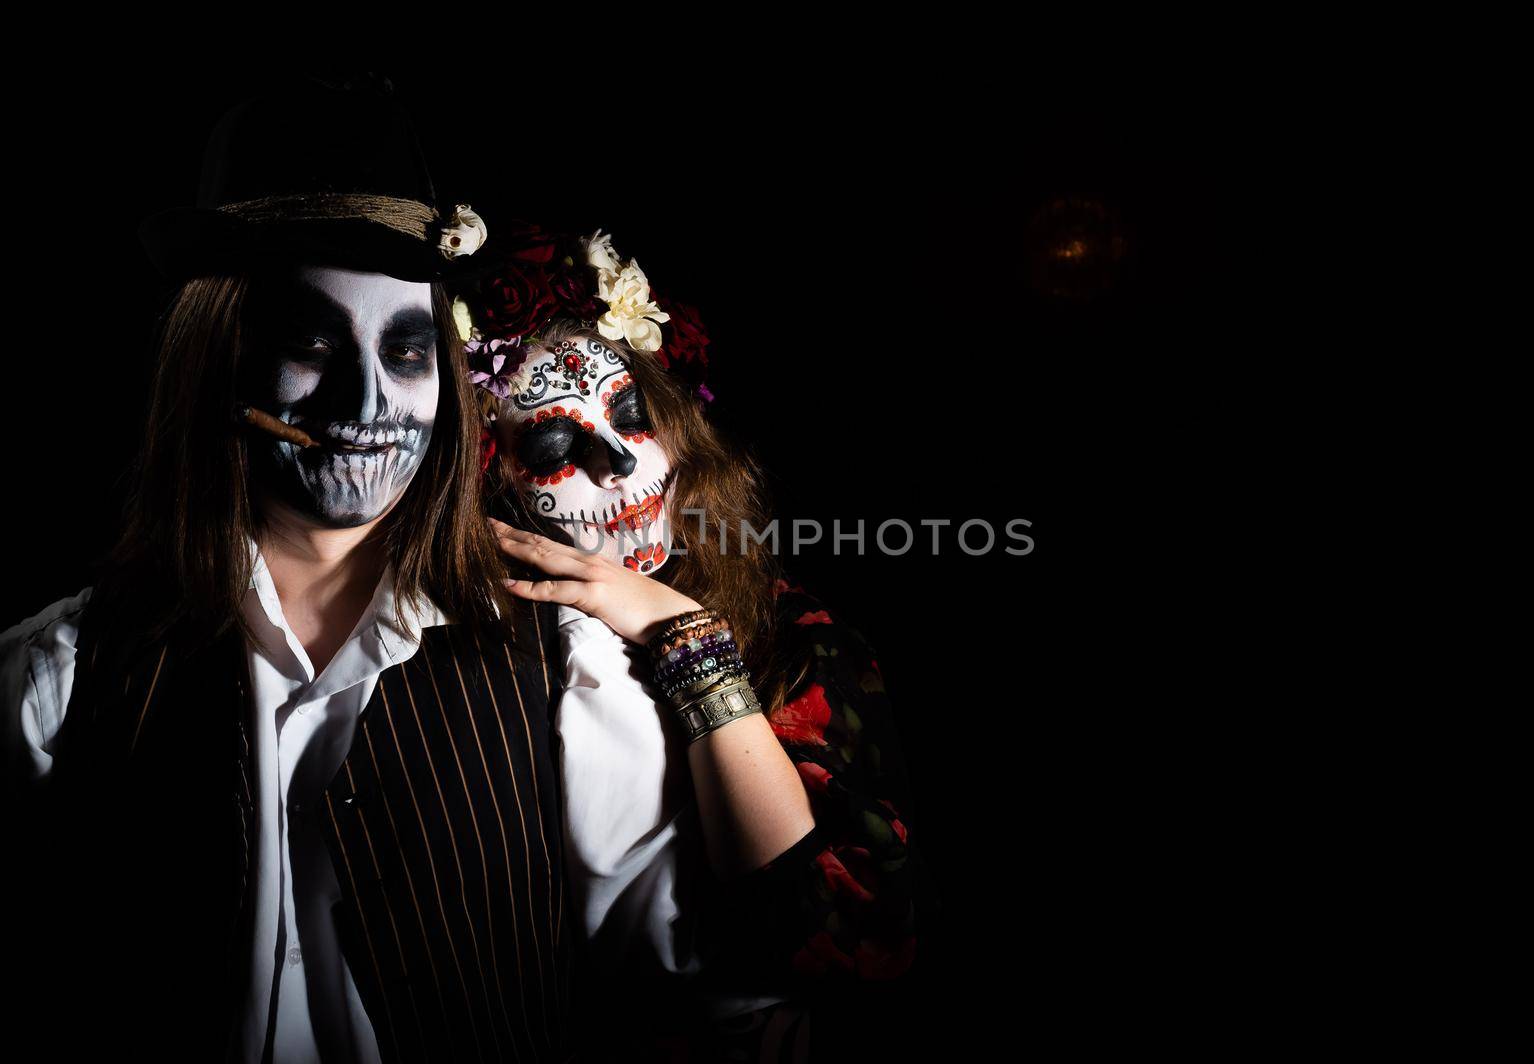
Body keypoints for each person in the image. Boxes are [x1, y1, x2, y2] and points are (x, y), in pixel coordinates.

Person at [0, 77, 578, 1062]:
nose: (367, 395)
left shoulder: (564, 662)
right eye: (309, 340)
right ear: (214, 362)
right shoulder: (56, 675)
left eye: (406, 348)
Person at [450, 224, 936, 1061]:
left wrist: (686, 636)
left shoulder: (796, 637)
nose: (616, 465)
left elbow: (858, 935)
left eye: (635, 415)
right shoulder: (466, 658)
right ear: (493, 477)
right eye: (556, 445)